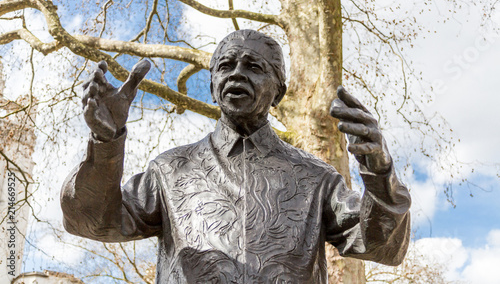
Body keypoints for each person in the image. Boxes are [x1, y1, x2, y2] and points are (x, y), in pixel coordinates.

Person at [61, 29, 411, 283]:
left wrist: (379, 173)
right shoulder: (171, 170)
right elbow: (92, 221)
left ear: (279, 93)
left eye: (254, 67)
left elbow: (382, 246)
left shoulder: (315, 178)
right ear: (213, 85)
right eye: (225, 66)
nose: (237, 73)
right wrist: (105, 143)